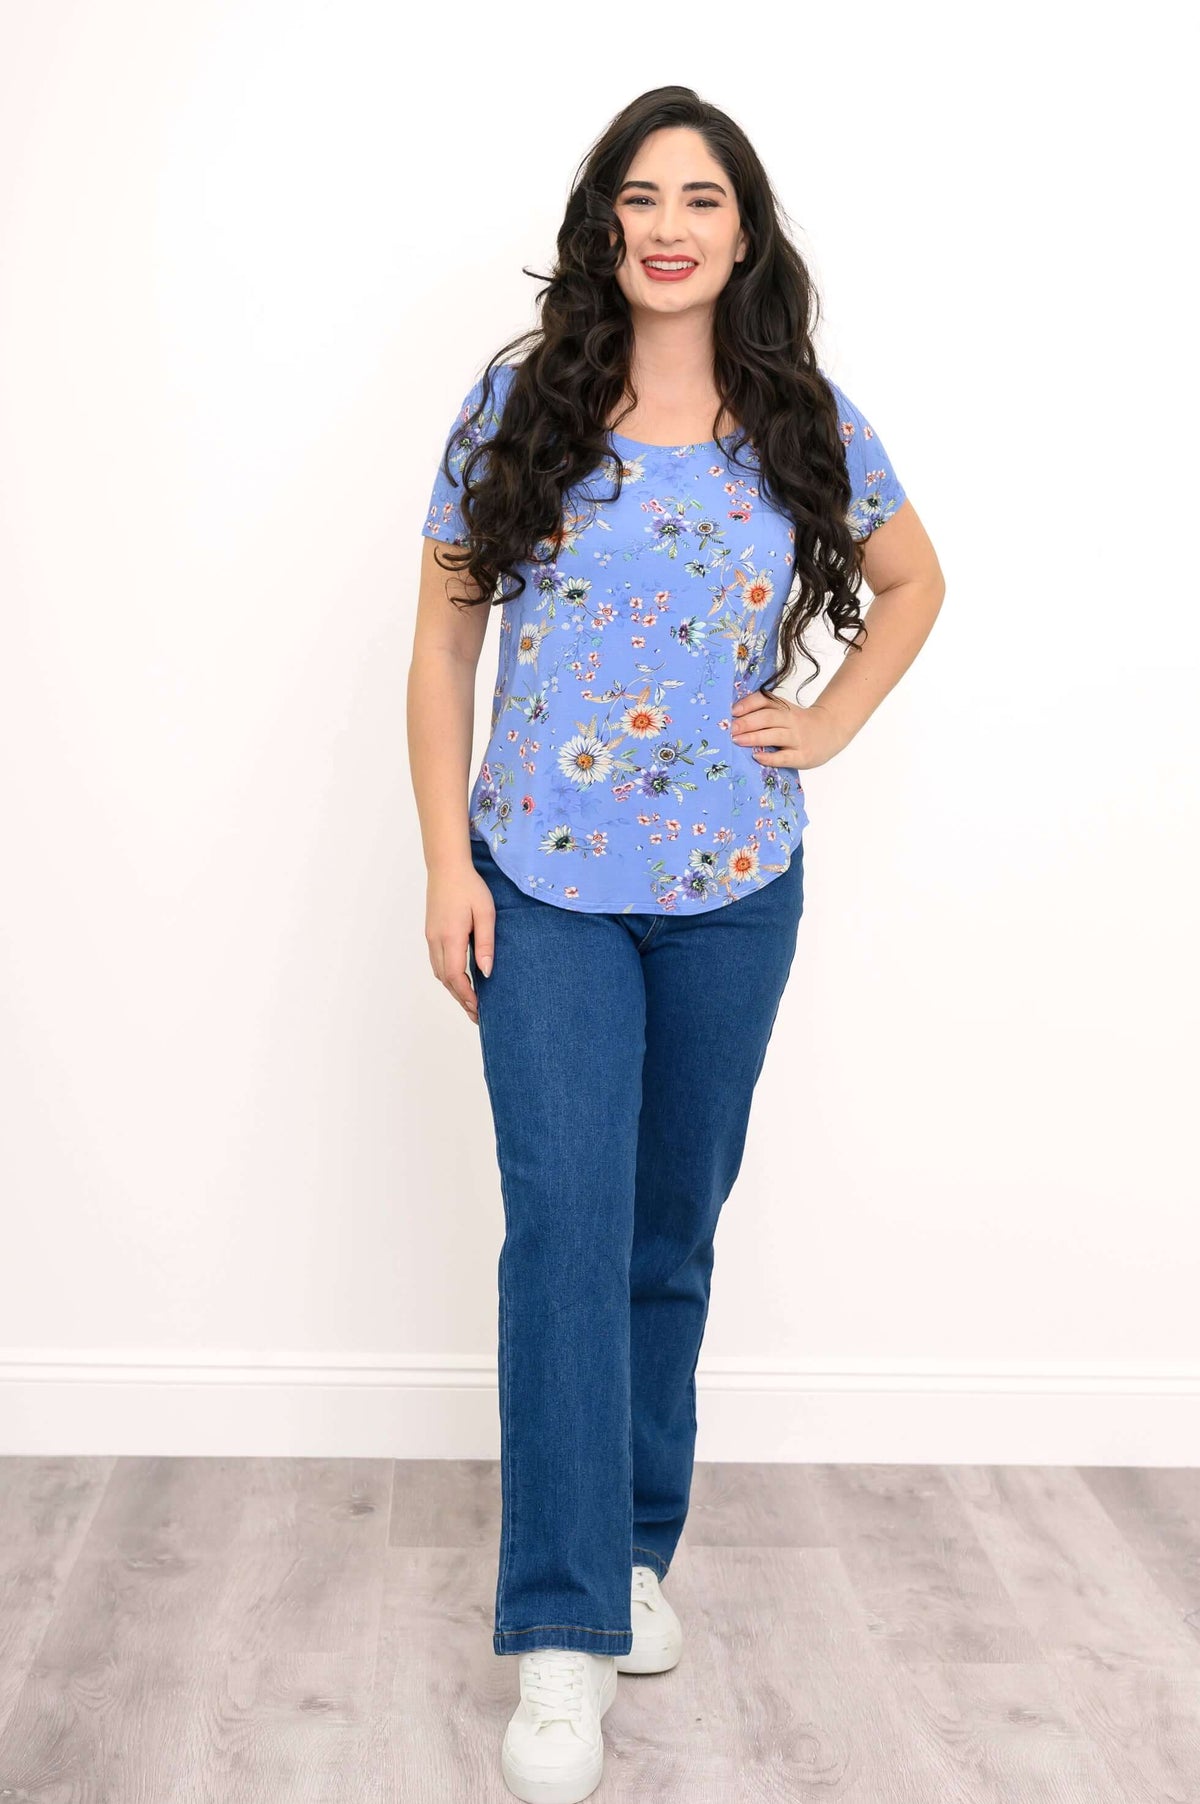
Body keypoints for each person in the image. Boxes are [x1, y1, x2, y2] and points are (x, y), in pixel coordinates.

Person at [407, 85, 945, 1804]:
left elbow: (918, 576)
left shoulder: (800, 416)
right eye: (641, 194)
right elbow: (441, 646)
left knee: (663, 1231)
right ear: (604, 224)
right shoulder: (522, 404)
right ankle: (560, 1641)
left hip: (733, 887)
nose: (669, 222)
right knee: (560, 1229)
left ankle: (635, 1553)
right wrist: (445, 866)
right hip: (543, 886)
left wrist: (832, 718)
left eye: (701, 196)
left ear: (743, 231)